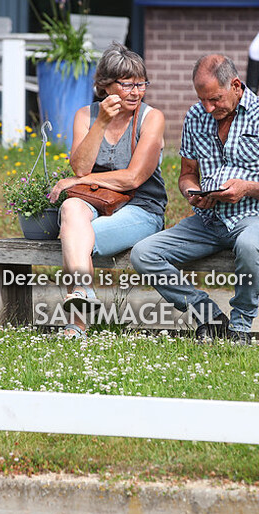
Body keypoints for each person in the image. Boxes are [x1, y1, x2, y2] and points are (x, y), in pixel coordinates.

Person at [130, 54, 259, 345]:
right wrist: (192, 193)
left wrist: (246, 188)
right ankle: (208, 314)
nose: (209, 108)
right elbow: (187, 174)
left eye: (215, 99)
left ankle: (240, 328)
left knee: (248, 245)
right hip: (208, 221)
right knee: (143, 254)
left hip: (256, 217)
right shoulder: (196, 116)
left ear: (235, 85)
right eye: (203, 100)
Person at [47, 43, 167, 339]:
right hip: (96, 202)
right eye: (127, 84)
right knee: (70, 209)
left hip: (142, 208)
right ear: (105, 86)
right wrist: (100, 123)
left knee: (74, 238)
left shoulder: (152, 118)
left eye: (141, 84)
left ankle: (76, 323)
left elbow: (134, 178)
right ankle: (83, 291)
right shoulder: (86, 116)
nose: (136, 92)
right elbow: (80, 168)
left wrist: (75, 183)